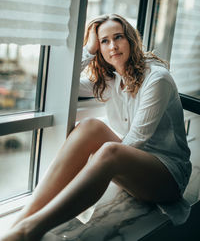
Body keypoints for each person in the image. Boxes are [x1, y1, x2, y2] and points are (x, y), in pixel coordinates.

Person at [0, 14, 192, 241]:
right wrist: (89, 50)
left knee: (110, 151)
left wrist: (96, 167)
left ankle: (32, 230)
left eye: (118, 37)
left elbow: (137, 139)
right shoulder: (112, 80)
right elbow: (64, 87)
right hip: (135, 168)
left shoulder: (156, 78)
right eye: (104, 41)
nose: (113, 46)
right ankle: (23, 220)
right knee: (90, 126)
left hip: (167, 177)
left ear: (130, 39)